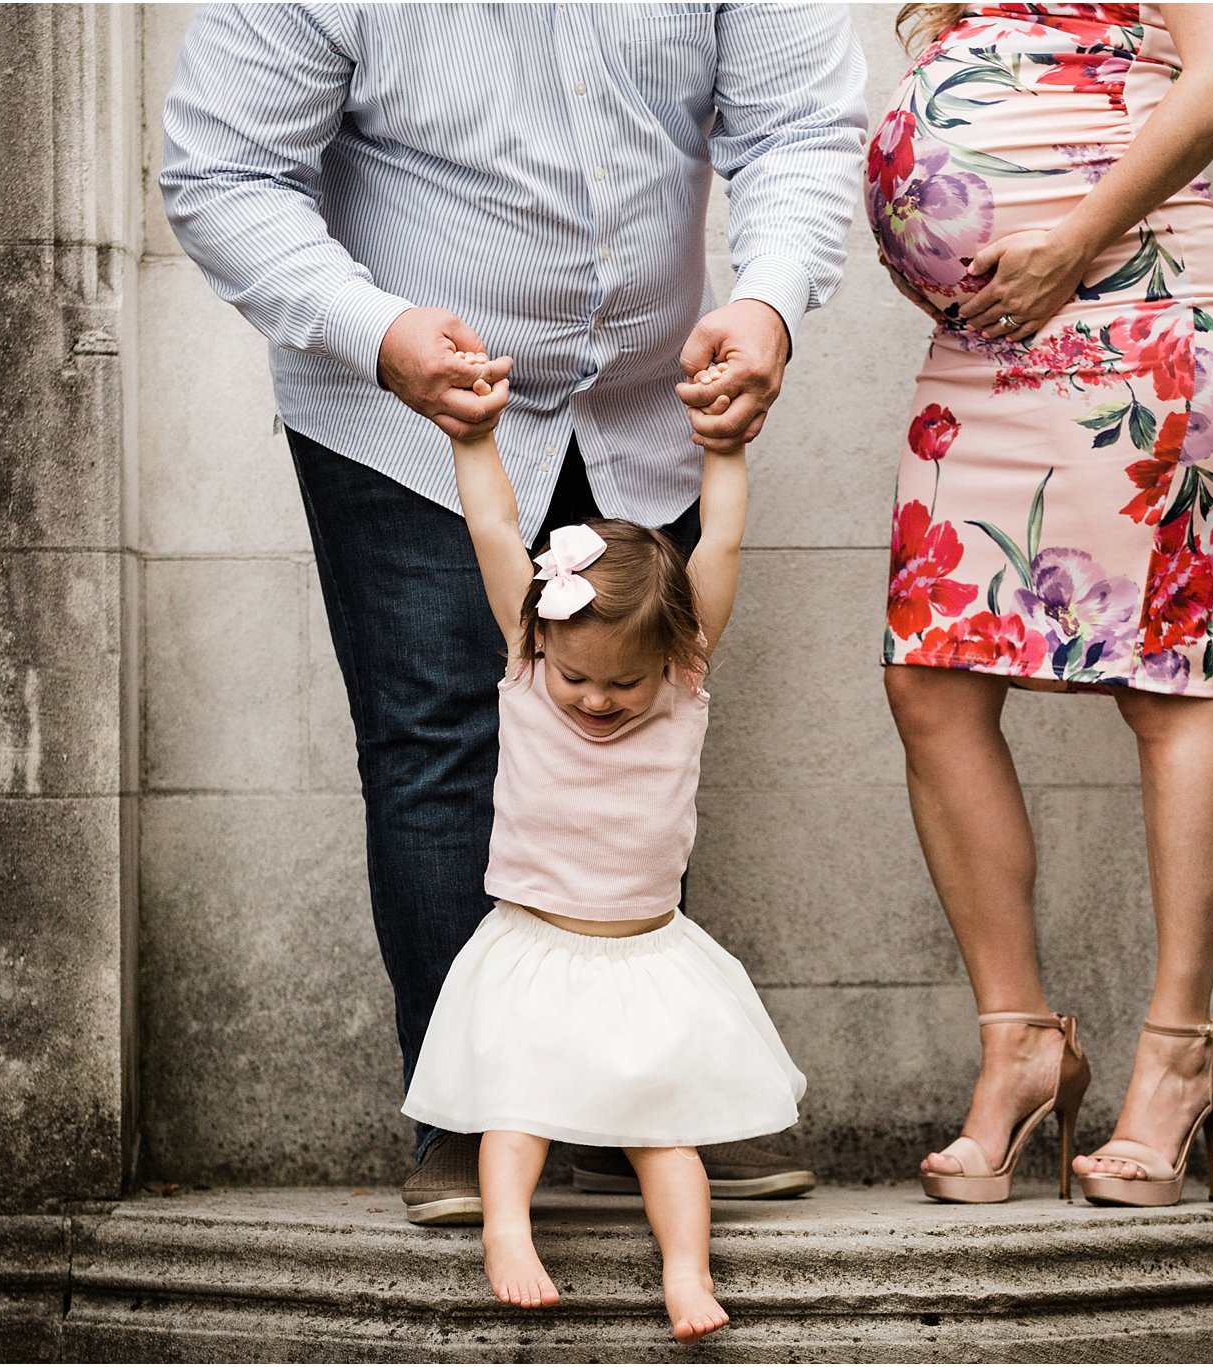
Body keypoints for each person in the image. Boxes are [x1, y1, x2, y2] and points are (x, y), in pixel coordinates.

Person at [158, 4, 867, 1222]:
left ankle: (645, 1104)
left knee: (626, 721)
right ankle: (471, 1114)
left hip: (650, 399)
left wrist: (769, 300)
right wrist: (376, 330)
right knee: (436, 747)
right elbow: (223, 173)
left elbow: (800, 125)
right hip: (400, 410)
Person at [866, 3, 1213, 1205]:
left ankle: (1176, 1056)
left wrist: (1061, 244)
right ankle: (1020, 1042)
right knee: (928, 673)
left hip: (1131, 305)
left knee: (1159, 670)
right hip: (993, 335)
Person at [398, 355, 801, 1344]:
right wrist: (476, 441)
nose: (593, 697)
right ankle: (507, 1231)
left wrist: (725, 455)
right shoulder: (531, 664)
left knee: (667, 1135)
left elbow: (725, 545)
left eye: (620, 683)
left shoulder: (682, 684)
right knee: (515, 1109)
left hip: (646, 954)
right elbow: (498, 530)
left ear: (669, 660)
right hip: (534, 944)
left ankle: (686, 1271)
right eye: (577, 675)